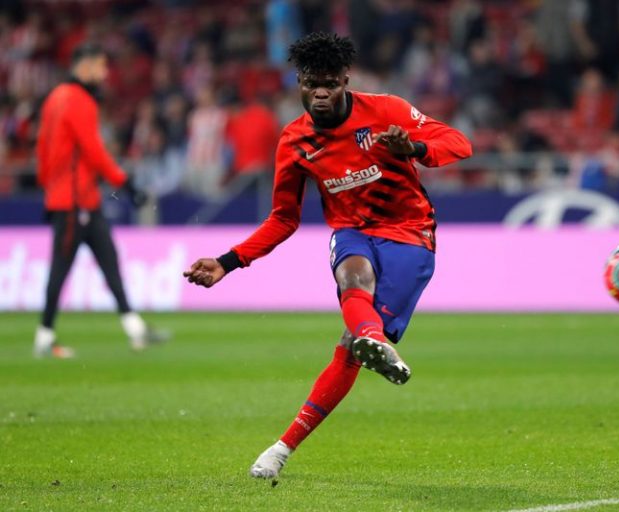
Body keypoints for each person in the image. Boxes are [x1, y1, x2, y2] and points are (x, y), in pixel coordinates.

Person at [184, 32, 472, 479]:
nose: (319, 92)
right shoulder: (294, 143)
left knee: (347, 348)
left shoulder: (387, 111)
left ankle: (295, 432)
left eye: (330, 84)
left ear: (345, 82)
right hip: (352, 232)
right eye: (310, 83)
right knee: (352, 278)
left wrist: (413, 148)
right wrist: (227, 261)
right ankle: (367, 346)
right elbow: (283, 219)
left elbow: (459, 143)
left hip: (410, 235)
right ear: (298, 83)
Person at [35, 42, 164, 358]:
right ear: (86, 66)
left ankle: (135, 329)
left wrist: (48, 187)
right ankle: (44, 337)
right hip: (74, 202)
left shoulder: (55, 98)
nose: (105, 73)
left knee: (109, 262)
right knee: (61, 268)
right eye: (101, 66)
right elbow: (94, 151)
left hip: (79, 199)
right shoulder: (80, 101)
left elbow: (42, 148)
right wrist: (127, 184)